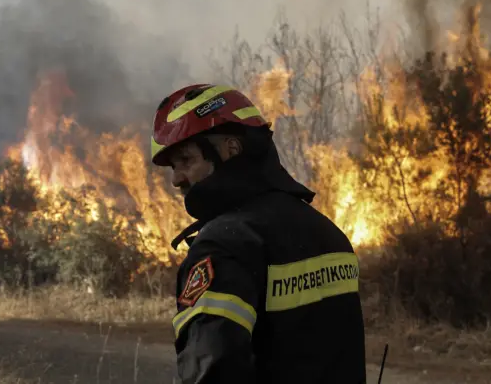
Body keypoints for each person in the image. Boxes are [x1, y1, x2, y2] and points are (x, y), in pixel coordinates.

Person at [150, 83, 367, 384]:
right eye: (173, 167)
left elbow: (213, 373)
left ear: (231, 149)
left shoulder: (223, 245)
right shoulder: (330, 234)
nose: (176, 180)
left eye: (186, 160)